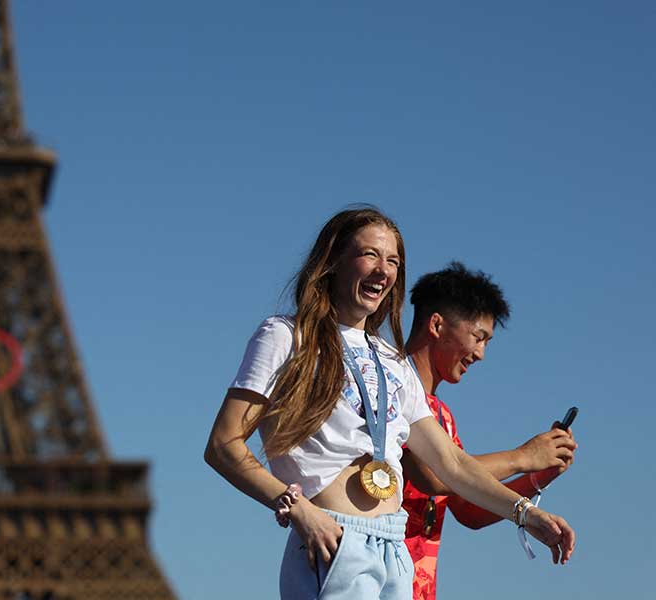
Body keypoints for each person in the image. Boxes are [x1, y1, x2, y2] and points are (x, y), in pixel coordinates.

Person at [204, 207, 574, 600]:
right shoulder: (286, 336)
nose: (383, 270)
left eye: (393, 260)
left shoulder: (393, 363)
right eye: (370, 255)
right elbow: (223, 445)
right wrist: (298, 509)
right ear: (332, 261)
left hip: (395, 551)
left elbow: (451, 465)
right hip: (332, 537)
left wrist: (527, 515)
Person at [401, 263, 577, 600]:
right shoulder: (391, 383)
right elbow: (435, 475)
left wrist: (539, 474)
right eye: (478, 337)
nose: (481, 354)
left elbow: (469, 509)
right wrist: (523, 457)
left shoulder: (443, 415)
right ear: (437, 325)